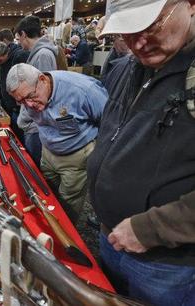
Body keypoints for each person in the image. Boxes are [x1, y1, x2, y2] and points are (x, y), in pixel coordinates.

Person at [87, 1, 195, 305]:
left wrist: (151, 229)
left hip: (167, 264)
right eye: (126, 33)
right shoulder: (132, 65)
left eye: (150, 26)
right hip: (113, 239)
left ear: (189, 5)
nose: (138, 43)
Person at [6, 63, 108, 225]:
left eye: (30, 96)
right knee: (46, 192)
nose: (29, 105)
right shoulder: (28, 96)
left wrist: (97, 155)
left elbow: (110, 124)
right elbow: (24, 121)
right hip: (48, 152)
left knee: (68, 203)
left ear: (42, 79)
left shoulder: (83, 90)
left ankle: (66, 237)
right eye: (22, 101)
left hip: (76, 158)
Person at [15, 15, 58, 164]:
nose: (19, 42)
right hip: (34, 124)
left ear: (23, 34)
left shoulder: (43, 55)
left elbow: (43, 95)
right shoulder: (38, 54)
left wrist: (28, 116)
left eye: (18, 37)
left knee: (36, 171)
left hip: (37, 127)